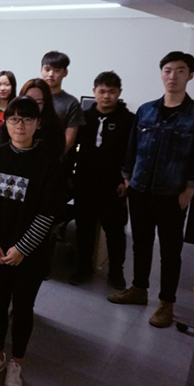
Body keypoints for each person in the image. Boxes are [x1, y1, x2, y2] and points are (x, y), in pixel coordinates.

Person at [109, 52, 194, 328]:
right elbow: (132, 148)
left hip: (172, 193)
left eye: (180, 71)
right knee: (141, 243)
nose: (172, 76)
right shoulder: (146, 110)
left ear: (190, 75)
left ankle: (166, 302)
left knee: (170, 250)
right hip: (140, 188)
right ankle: (138, 289)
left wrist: (189, 192)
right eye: (167, 70)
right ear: (161, 73)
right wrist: (128, 179)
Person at [0, 96, 64, 386]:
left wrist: (23, 248)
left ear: (38, 124)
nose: (20, 125)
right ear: (6, 122)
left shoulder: (49, 162)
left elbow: (47, 214)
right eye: (13, 119)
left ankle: (16, 362)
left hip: (31, 254)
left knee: (24, 308)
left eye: (27, 119)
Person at [70, 71, 134, 288]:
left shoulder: (129, 120)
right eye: (102, 91)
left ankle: (116, 272)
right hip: (85, 182)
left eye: (112, 92)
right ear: (94, 91)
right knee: (84, 229)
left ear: (119, 93)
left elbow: (132, 153)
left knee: (115, 232)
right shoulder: (83, 118)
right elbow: (74, 148)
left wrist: (125, 180)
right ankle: (83, 267)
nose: (106, 96)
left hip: (114, 185)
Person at [0, 79, 65, 160]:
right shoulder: (10, 124)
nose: (32, 106)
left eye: (38, 103)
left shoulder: (54, 126)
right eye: (28, 101)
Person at [40, 51, 84, 154]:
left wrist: (53, 159)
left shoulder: (71, 103)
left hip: (57, 158)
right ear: (41, 70)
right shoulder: (32, 98)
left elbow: (69, 141)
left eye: (57, 70)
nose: (51, 74)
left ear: (65, 73)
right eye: (47, 69)